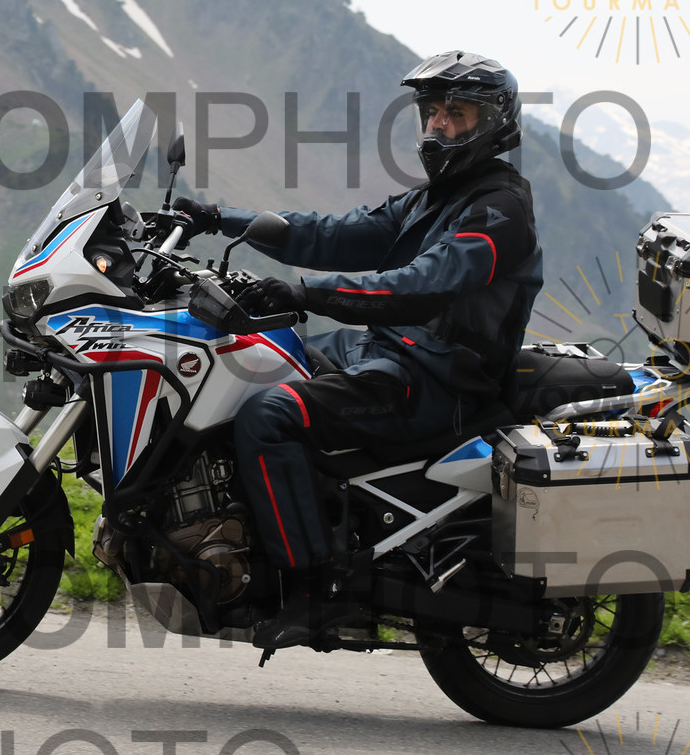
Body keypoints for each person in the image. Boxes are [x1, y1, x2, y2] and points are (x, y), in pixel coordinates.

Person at [173, 50, 544, 649]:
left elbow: (422, 285)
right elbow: (336, 234)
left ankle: (315, 587)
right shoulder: (436, 197)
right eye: (432, 112)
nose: (438, 125)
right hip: (390, 351)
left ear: (493, 122)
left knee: (270, 416)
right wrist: (217, 218)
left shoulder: (500, 210)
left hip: (436, 379)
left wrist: (304, 292)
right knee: (258, 358)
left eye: (457, 114)